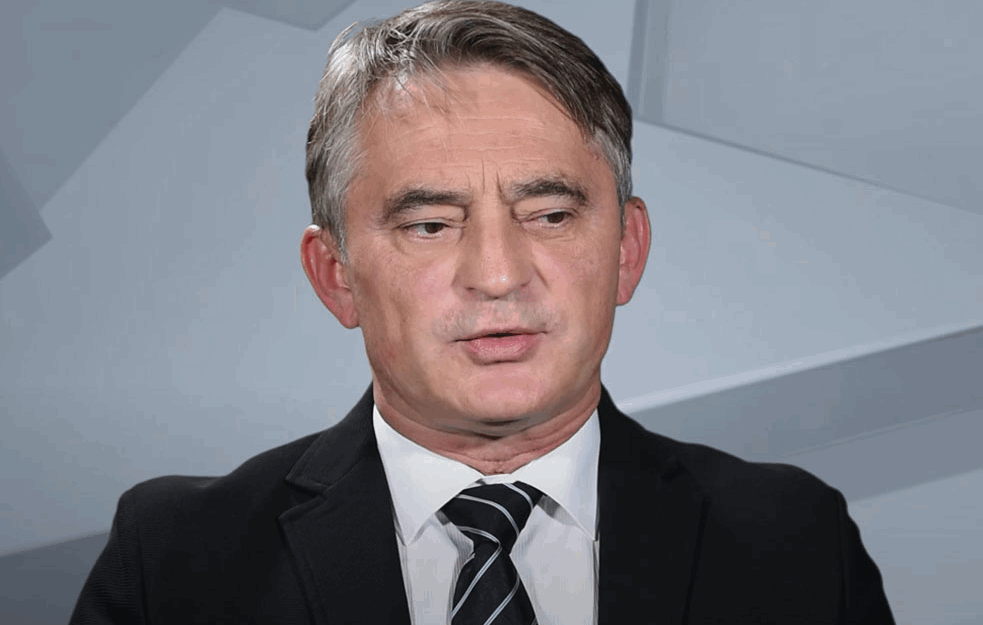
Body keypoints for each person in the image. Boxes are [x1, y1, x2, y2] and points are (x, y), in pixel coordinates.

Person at [70, 1, 894, 623]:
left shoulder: (792, 539)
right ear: (335, 275)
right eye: (430, 225)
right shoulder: (177, 560)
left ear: (626, 250)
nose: (497, 275)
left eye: (550, 215)